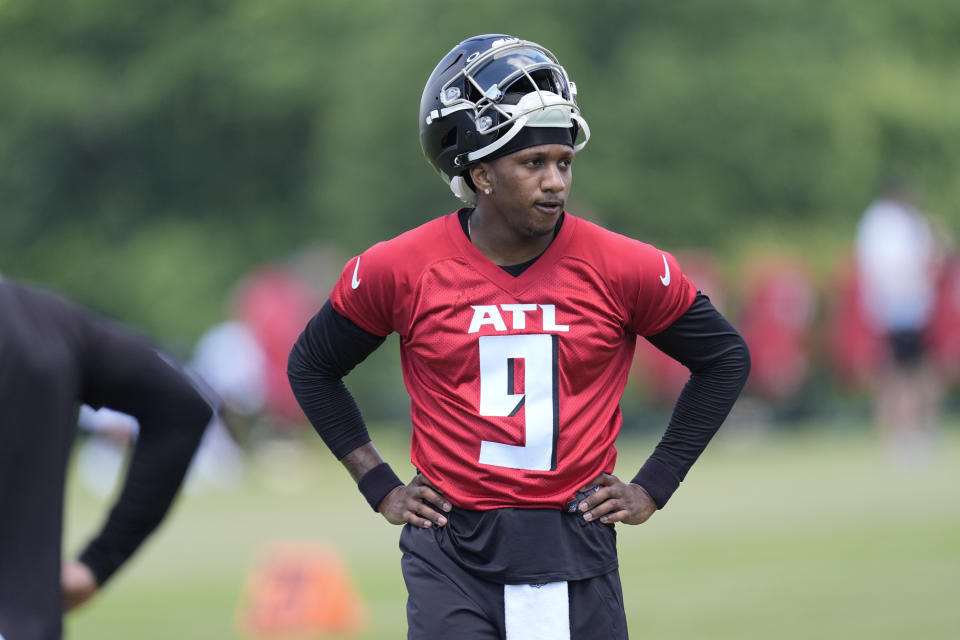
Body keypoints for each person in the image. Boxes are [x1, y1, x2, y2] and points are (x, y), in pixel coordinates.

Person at [288, 34, 750, 639]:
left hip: (575, 540)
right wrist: (378, 483)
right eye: (533, 164)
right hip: (452, 547)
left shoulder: (622, 265)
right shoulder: (401, 267)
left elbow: (724, 358)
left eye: (564, 162)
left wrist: (653, 485)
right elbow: (311, 367)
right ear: (481, 173)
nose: (555, 181)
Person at [0, 277, 213, 640]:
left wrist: (101, 560)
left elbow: (182, 408)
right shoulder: (41, 319)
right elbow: (182, 404)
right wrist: (99, 562)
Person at [854, 178, 942, 466]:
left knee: (910, 372)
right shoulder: (887, 224)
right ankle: (905, 434)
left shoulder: (898, 223)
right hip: (899, 309)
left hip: (907, 309)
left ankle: (912, 431)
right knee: (902, 373)